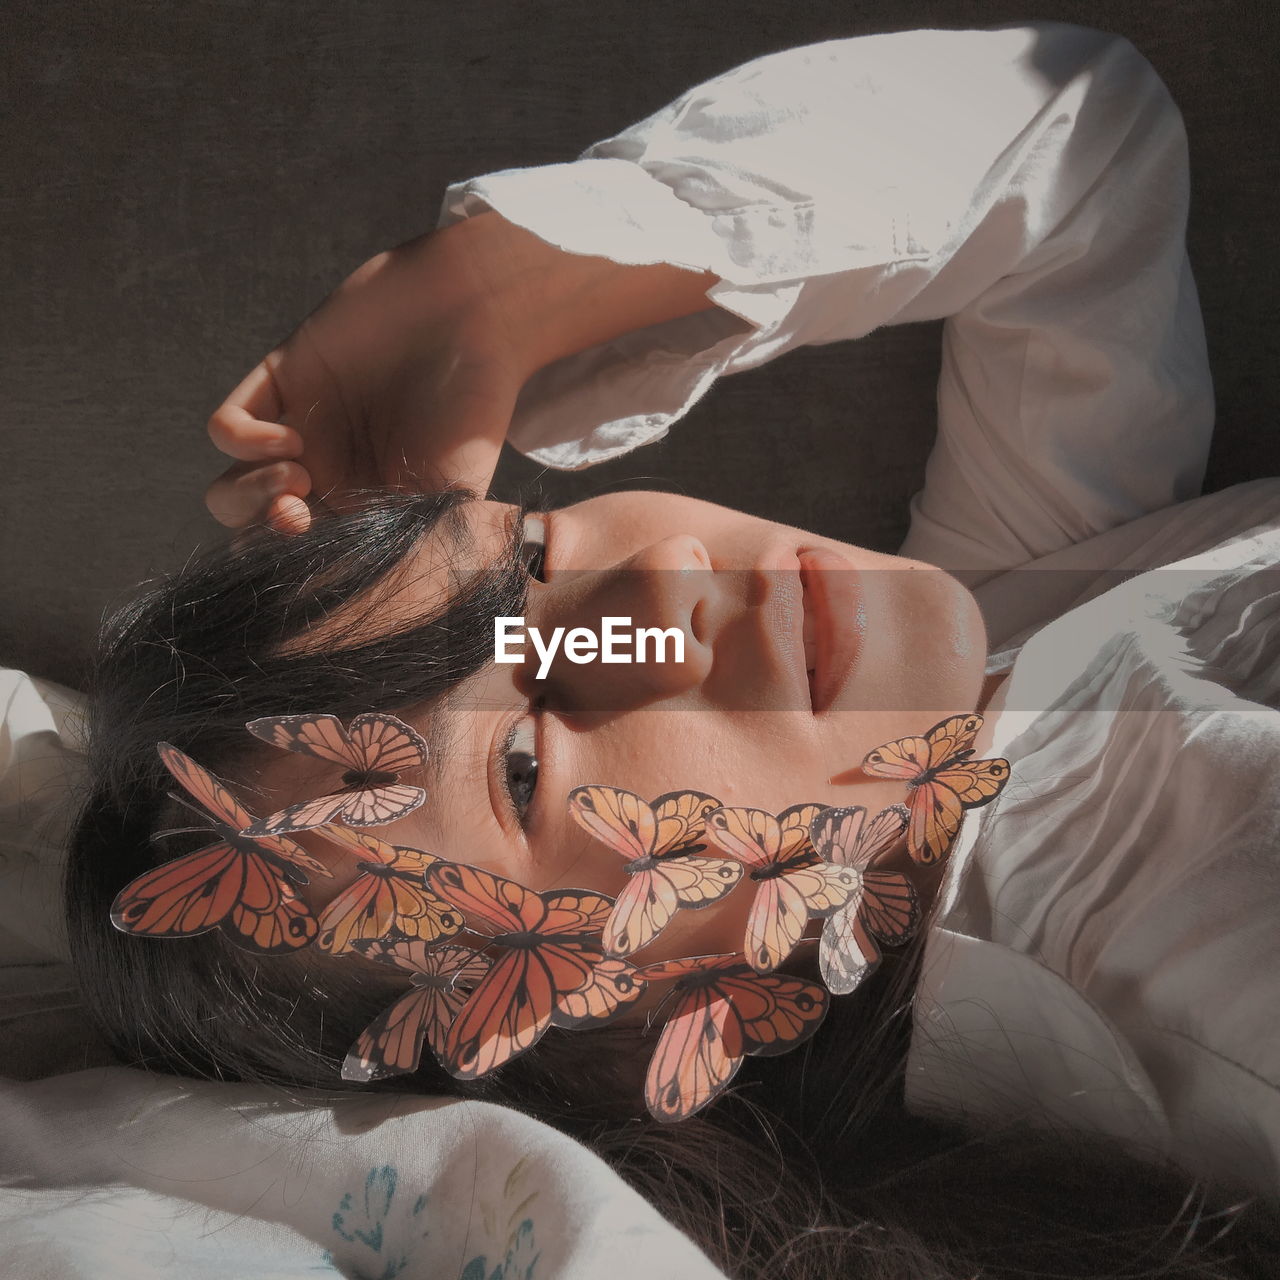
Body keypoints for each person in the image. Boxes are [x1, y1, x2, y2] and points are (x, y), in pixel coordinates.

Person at [64, 21, 1280, 1279]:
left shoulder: (1001, 644)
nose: (659, 586)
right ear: (634, 1058)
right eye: (522, 766)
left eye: (529, 560)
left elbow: (1074, 136)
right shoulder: (1189, 915)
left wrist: (498, 292)